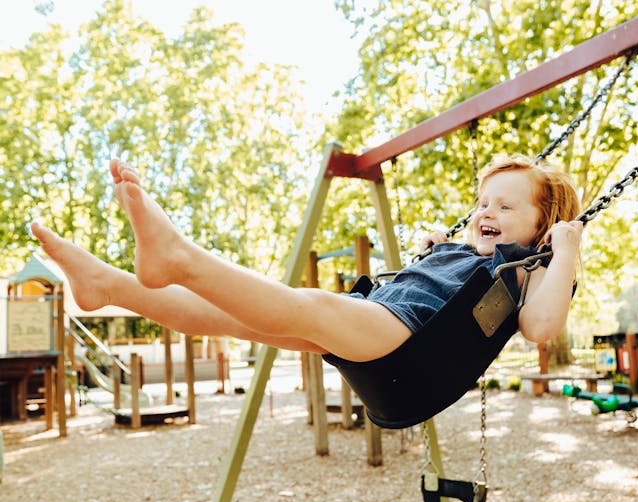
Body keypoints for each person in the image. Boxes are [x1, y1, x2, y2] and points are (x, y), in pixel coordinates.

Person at [31, 154, 582, 364]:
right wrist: (437, 254)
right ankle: (110, 285)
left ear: (542, 226)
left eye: (506, 206)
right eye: (483, 201)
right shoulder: (468, 252)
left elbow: (539, 327)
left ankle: (177, 257)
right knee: (230, 317)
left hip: (407, 339)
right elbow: (443, 274)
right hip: (378, 313)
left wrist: (567, 250)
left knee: (306, 305)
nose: (487, 211)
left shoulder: (529, 269)